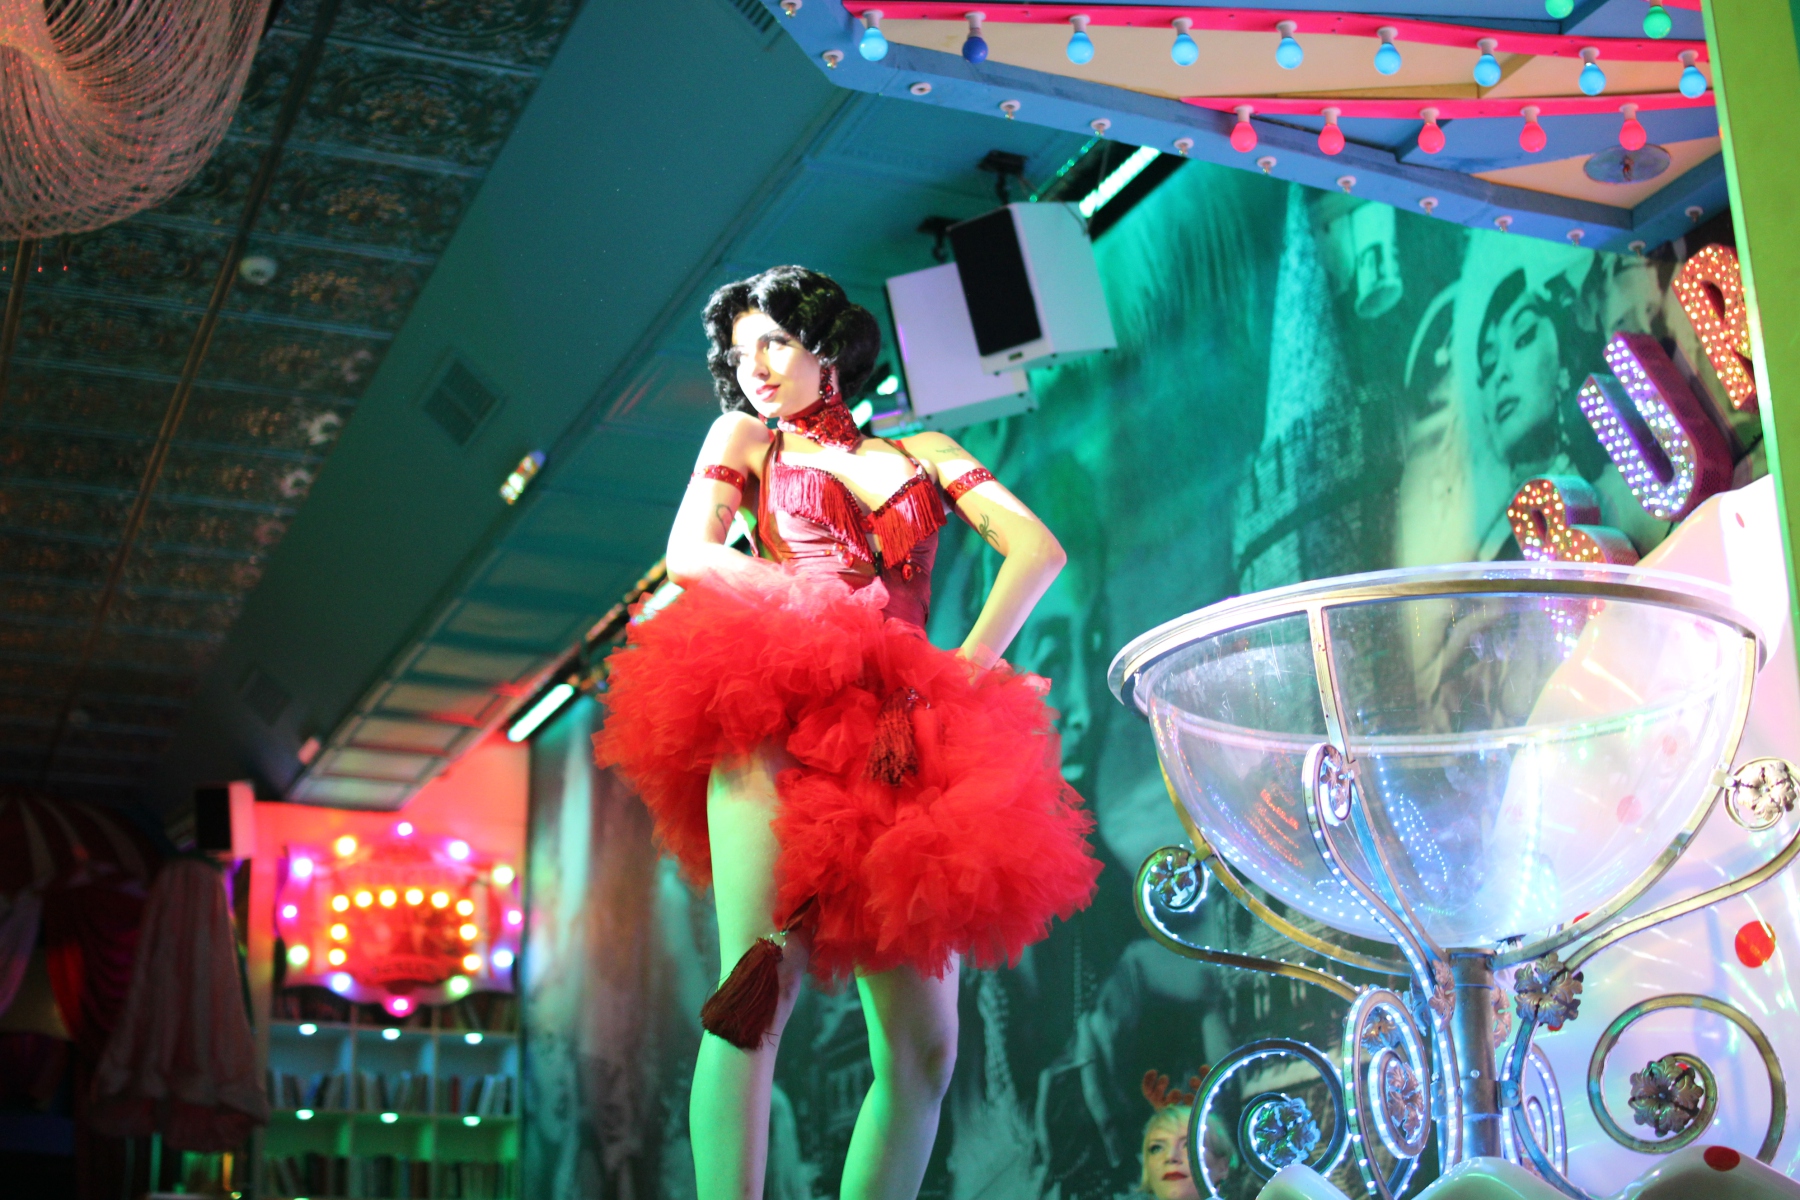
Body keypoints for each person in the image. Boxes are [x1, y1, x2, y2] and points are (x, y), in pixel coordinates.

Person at [595, 266, 1101, 1200]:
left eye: (775, 343)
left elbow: (1038, 549)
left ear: (829, 347)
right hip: (778, 706)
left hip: (902, 734)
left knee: (927, 1051)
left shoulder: (926, 452)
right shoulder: (747, 440)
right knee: (757, 987)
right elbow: (690, 555)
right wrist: (816, 610)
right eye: (740, 354)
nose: (754, 368)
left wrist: (962, 670)